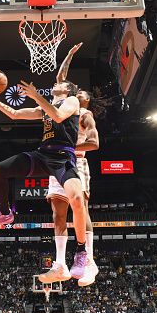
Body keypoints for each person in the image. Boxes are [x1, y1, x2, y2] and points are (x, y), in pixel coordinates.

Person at [0, 46, 89, 279]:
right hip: (42, 155)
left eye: (59, 84)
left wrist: (35, 94)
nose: (55, 83)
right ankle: (4, 213)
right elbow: (14, 114)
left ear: (68, 90)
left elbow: (59, 116)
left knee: (77, 200)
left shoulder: (72, 101)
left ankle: (81, 253)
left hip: (63, 158)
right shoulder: (46, 107)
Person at [38, 43, 102, 286]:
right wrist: (69, 54)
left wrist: (69, 148)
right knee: (57, 213)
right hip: (57, 162)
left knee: (81, 209)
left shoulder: (85, 115)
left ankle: (90, 261)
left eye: (81, 93)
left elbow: (94, 144)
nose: (78, 94)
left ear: (84, 99)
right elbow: (60, 78)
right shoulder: (64, 108)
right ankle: (61, 264)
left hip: (77, 162)